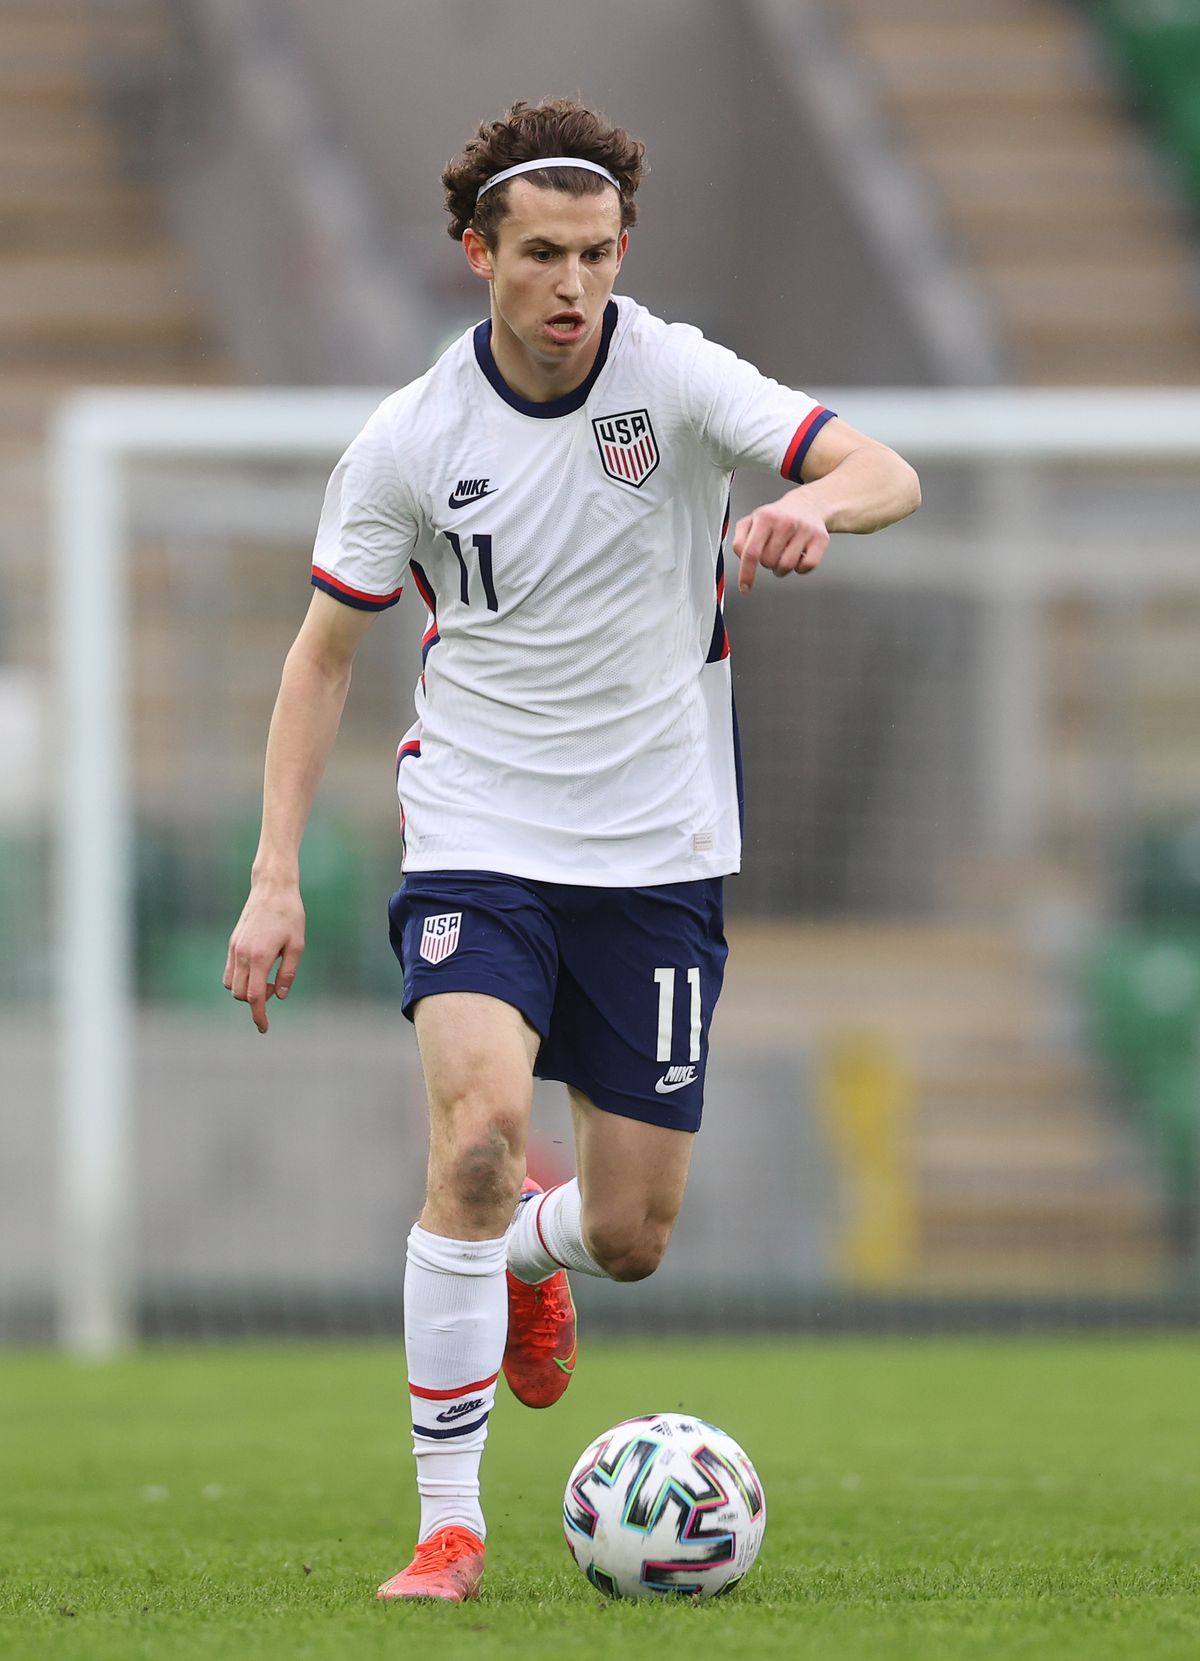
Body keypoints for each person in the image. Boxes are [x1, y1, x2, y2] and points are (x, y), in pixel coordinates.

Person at [224, 97, 920, 1602]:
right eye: (541, 253)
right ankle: (448, 1526)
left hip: (659, 846)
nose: (573, 286)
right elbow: (322, 657)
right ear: (477, 253)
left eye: (597, 254)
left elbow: (884, 467)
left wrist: (814, 505)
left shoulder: (669, 376)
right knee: (471, 1136)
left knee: (633, 1228)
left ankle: (532, 1261)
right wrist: (274, 873)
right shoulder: (409, 437)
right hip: (477, 830)